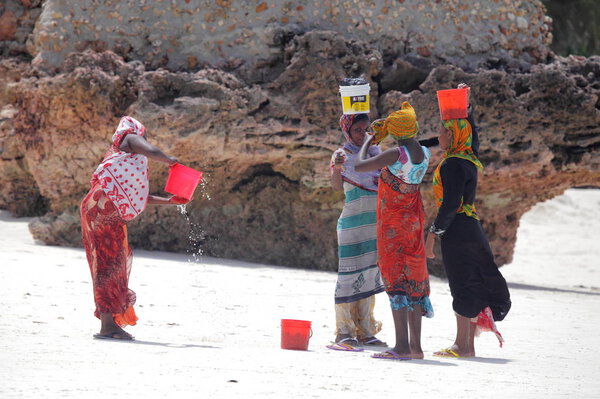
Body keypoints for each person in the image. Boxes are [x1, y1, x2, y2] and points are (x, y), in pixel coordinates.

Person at [80, 116, 189, 341]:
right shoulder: (128, 138)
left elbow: (139, 197)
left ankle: (109, 324)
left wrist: (169, 201)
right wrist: (169, 160)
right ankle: (107, 326)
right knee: (108, 265)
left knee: (113, 264)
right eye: (143, 136)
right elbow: (150, 149)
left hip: (107, 214)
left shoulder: (127, 162)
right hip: (102, 212)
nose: (143, 140)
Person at [425, 84, 511, 357]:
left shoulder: (451, 164)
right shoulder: (468, 157)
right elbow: (473, 137)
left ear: (452, 135)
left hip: (458, 231)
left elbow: (451, 205)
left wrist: (432, 234)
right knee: (470, 282)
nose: (438, 134)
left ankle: (464, 345)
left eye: (442, 131)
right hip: (471, 229)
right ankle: (464, 344)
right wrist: (467, 111)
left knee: (461, 284)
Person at [355, 102, 434, 360]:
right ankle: (416, 348)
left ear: (395, 133)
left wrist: (369, 140)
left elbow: (360, 165)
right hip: (413, 223)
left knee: (396, 280)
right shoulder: (424, 152)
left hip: (393, 225)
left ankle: (401, 347)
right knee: (413, 281)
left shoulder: (395, 154)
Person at [327, 112, 387, 351]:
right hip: (352, 223)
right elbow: (335, 186)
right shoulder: (342, 154)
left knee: (370, 274)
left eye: (365, 129)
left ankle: (366, 330)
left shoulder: (376, 153)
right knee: (348, 275)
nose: (362, 135)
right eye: (357, 131)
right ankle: (344, 331)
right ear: (347, 131)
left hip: (374, 224)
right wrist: (338, 168)